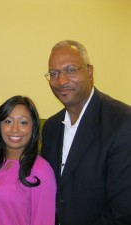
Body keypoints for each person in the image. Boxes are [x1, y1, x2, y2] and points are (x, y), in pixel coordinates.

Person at [41, 40, 131, 225]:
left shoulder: (122, 122)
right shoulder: (51, 127)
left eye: (71, 70)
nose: (62, 81)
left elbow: (123, 210)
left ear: (89, 72)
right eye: (54, 73)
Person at [0, 95, 56, 225]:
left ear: (33, 127)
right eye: (8, 121)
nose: (15, 129)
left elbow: (43, 220)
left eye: (23, 122)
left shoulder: (41, 170)